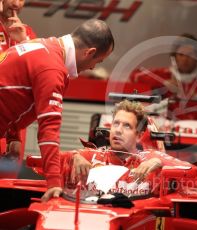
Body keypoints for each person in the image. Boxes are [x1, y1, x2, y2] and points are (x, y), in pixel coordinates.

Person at [0, 18, 114, 202]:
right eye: (98, 61)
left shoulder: (43, 45)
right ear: (90, 52)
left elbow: (12, 89)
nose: (93, 67)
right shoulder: (52, 68)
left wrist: (13, 136)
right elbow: (48, 131)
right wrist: (53, 183)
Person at [130, 34, 197, 192]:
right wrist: (164, 84)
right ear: (174, 57)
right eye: (181, 55)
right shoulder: (165, 75)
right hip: (167, 138)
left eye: (190, 55)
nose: (185, 59)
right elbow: (135, 75)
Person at [62, 100, 197, 196]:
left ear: (139, 136)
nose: (118, 130)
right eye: (115, 124)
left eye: (127, 126)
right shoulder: (90, 157)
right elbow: (47, 160)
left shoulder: (153, 159)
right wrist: (73, 156)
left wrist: (161, 163)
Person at [0, 0, 37, 163]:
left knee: (7, 180)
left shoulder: (27, 33)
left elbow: (31, 86)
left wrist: (15, 136)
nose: (16, 3)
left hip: (15, 124)